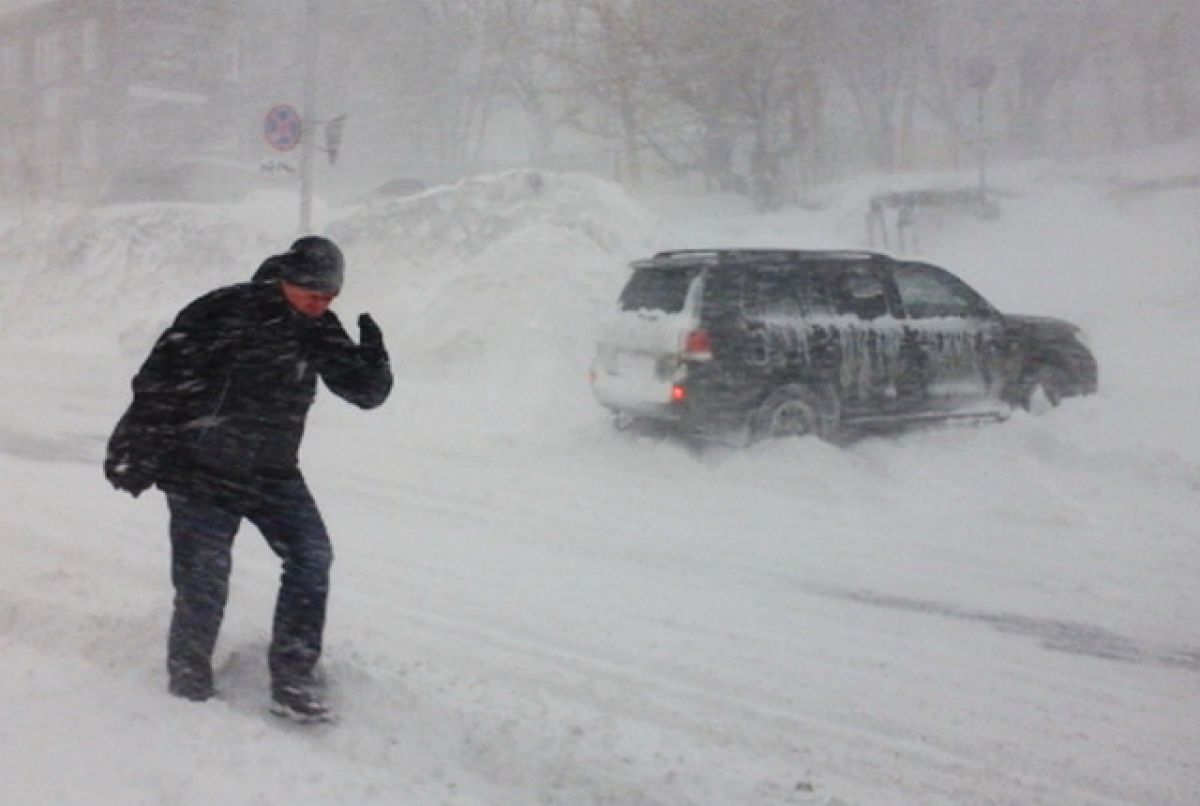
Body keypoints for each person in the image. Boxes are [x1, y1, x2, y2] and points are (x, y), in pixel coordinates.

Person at [104, 235, 392, 722]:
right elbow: (158, 379)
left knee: (311, 556)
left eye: (330, 298)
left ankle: (293, 678)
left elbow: (362, 392)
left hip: (271, 472)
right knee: (204, 580)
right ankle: (189, 684)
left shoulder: (317, 326)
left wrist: (374, 360)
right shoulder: (222, 310)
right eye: (313, 295)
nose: (321, 306)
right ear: (287, 280)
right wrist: (135, 445)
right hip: (200, 469)